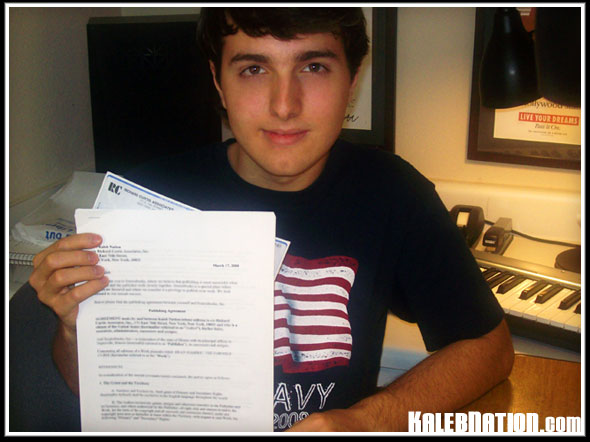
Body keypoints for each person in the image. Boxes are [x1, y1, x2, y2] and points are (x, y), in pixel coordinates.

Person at [17, 7, 514, 432]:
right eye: (254, 69)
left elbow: (490, 348)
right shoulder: (147, 202)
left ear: (352, 79)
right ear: (218, 82)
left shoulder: (392, 192)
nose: (284, 105)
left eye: (314, 66)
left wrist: (368, 420)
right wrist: (75, 333)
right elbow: (100, 394)